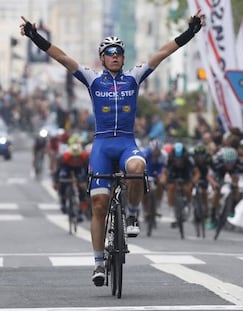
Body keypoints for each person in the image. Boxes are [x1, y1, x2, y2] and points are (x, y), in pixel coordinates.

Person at [20, 11, 205, 287]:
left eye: (118, 52)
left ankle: (131, 213)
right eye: (109, 52)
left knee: (137, 167)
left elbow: (163, 52)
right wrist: (35, 36)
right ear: (103, 58)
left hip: (126, 143)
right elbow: (62, 57)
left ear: (123, 57)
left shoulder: (134, 77)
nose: (115, 56)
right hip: (103, 146)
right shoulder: (93, 79)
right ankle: (97, 263)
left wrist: (191, 31)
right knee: (98, 204)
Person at [207, 146, 243, 229]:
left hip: (234, 171)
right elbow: (209, 176)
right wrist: (214, 184)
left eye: (231, 163)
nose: (229, 165)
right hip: (220, 171)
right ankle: (212, 216)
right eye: (227, 163)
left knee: (235, 184)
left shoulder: (239, 164)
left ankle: (233, 205)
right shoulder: (217, 162)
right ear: (223, 160)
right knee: (217, 190)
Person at [165, 142, 200, 227]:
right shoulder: (170, 158)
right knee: (171, 187)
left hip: (186, 175)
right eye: (176, 159)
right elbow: (165, 171)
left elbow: (197, 173)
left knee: (187, 189)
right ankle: (172, 209)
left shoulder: (189, 159)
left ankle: (188, 204)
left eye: (180, 159)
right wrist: (164, 180)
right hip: (174, 174)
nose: (178, 161)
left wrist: (193, 182)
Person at [142, 140, 168, 220]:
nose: (156, 154)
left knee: (161, 183)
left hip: (158, 170)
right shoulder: (145, 153)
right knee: (144, 187)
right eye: (154, 152)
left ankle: (157, 205)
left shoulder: (164, 155)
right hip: (147, 169)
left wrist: (162, 178)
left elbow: (164, 169)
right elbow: (142, 168)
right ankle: (145, 209)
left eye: (157, 152)